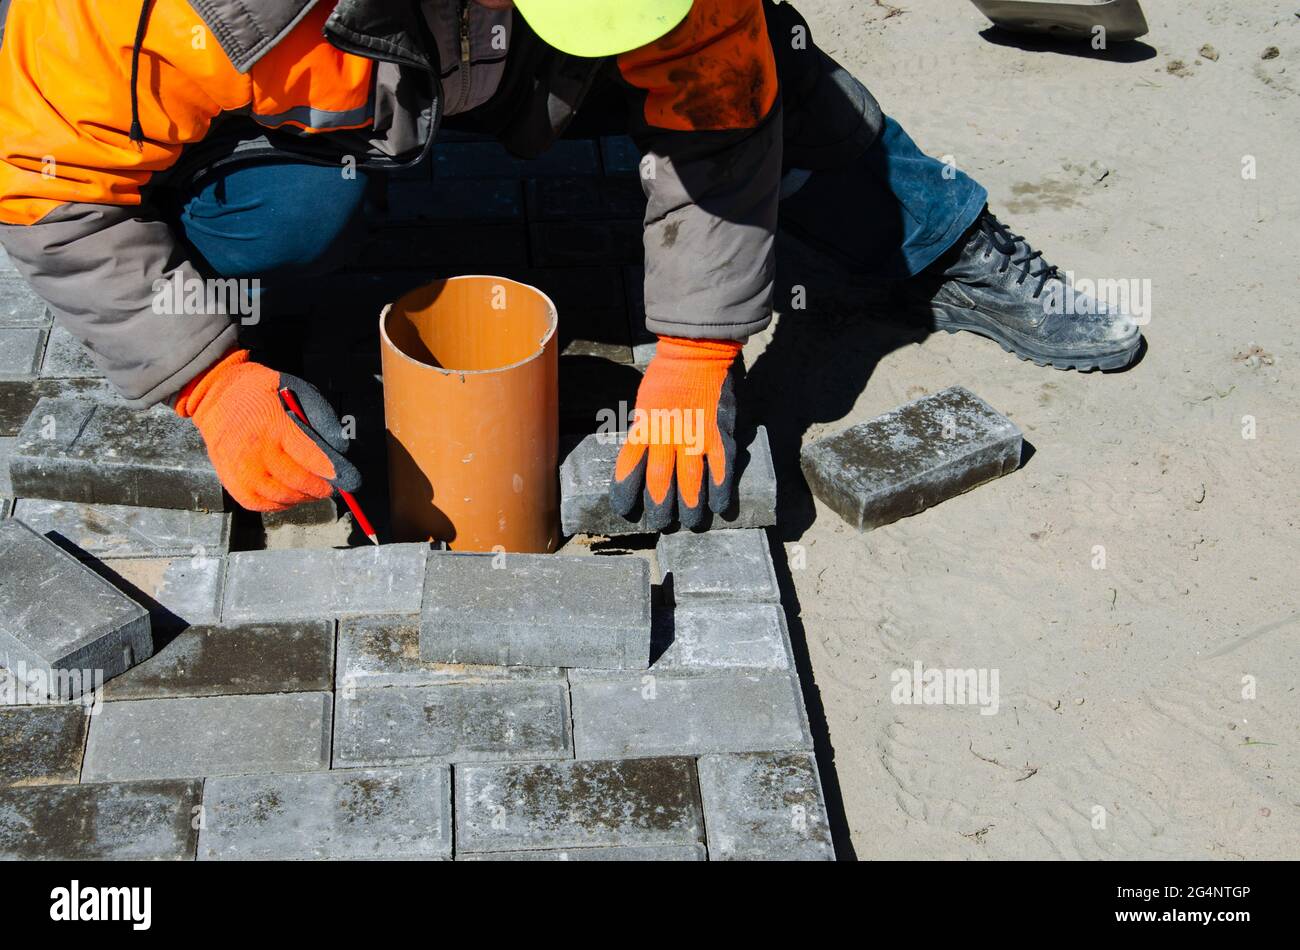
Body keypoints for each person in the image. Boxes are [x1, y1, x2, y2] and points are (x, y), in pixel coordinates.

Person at [0, 0, 1141, 529]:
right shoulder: (137, 10)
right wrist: (209, 381)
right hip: (306, 104)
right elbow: (49, 192)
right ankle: (261, 335)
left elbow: (725, 101)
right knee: (282, 227)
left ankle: (934, 244)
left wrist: (695, 355)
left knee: (774, 68)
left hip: (496, 54)